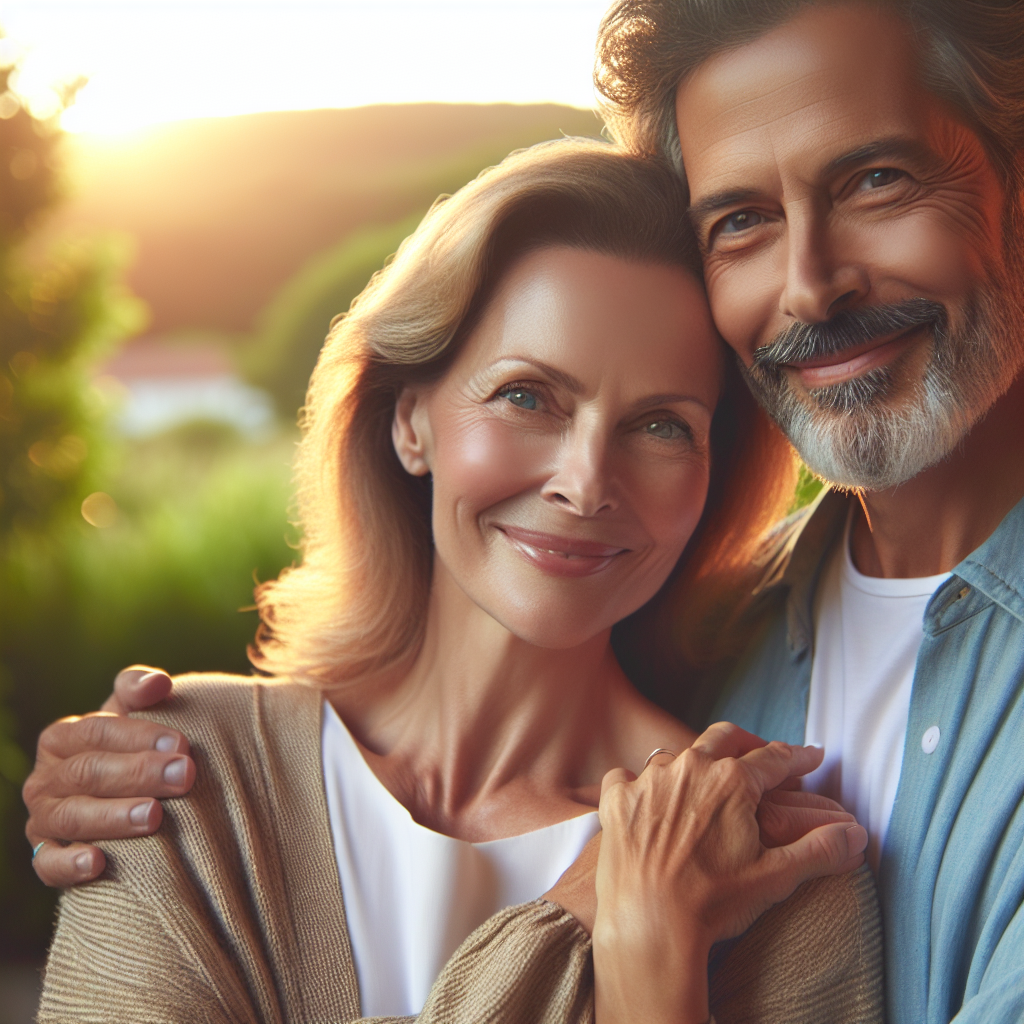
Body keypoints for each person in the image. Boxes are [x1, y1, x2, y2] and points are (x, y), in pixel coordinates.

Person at [29, 0, 1021, 1018]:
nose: (586, 483)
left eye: (875, 180)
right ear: (405, 419)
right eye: (525, 395)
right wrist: (581, 919)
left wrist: (639, 956)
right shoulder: (181, 770)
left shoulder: (775, 853)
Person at [591, 2, 1022, 1023]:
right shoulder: (694, 637)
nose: (810, 288)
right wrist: (188, 769)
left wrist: (647, 977)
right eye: (740, 221)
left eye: (877, 180)